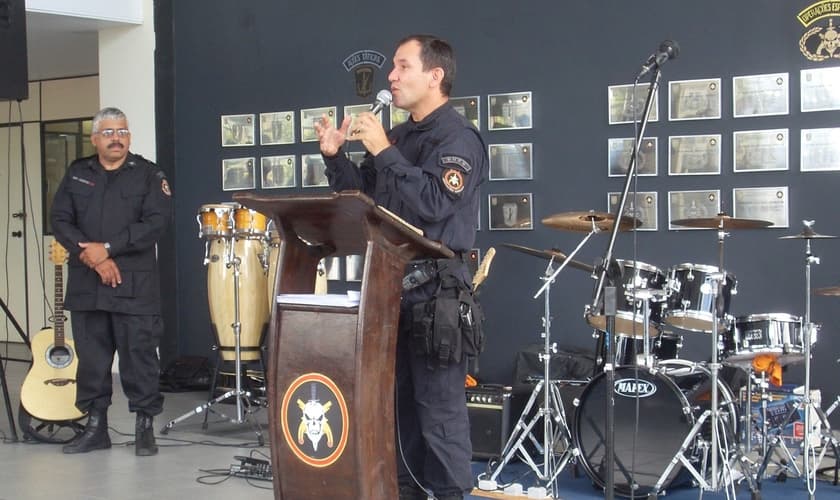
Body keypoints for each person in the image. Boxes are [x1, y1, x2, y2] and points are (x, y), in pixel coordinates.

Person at [315, 34, 488, 500]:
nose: (391, 76)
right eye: (393, 67)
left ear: (435, 76)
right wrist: (335, 158)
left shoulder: (458, 138)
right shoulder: (399, 137)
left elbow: (433, 203)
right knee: (398, 412)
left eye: (402, 66)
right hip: (391, 289)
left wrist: (382, 150)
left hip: (436, 295)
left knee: (438, 414)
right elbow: (367, 199)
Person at [51, 107, 173, 456]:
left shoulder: (149, 175)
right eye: (108, 132)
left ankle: (144, 427)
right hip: (88, 285)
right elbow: (60, 219)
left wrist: (107, 249)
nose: (116, 137)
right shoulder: (77, 174)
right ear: (94, 139)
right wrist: (90, 255)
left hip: (134, 286)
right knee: (92, 359)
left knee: (140, 358)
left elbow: (156, 223)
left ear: (129, 137)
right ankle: (95, 428)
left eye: (122, 131)